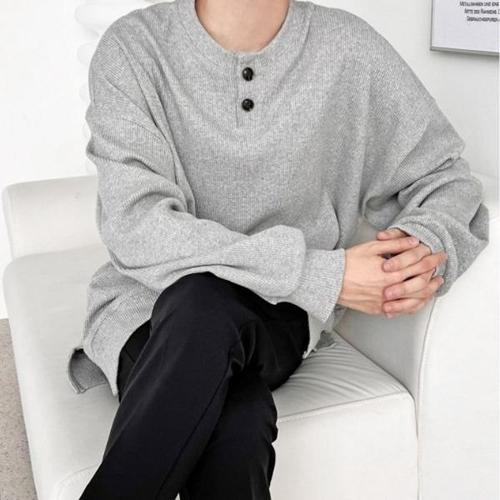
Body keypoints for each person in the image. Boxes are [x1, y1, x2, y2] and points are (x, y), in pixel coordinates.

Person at [77, 0, 489, 498]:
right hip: (147, 305)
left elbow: (446, 177)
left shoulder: (349, 49)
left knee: (204, 307)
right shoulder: (133, 48)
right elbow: (138, 228)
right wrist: (324, 275)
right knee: (238, 418)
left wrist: (418, 251)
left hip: (279, 314)